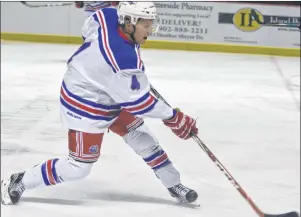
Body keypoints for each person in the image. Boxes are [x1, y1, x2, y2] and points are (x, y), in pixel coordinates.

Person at [1, 2, 199, 206]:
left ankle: (174, 183)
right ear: (129, 24)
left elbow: (88, 29)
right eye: (146, 26)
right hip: (85, 102)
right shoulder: (123, 60)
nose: (150, 30)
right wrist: (174, 118)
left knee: (144, 140)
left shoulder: (107, 15)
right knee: (78, 167)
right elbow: (140, 103)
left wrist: (97, 66)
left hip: (109, 93)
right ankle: (20, 180)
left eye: (151, 24)